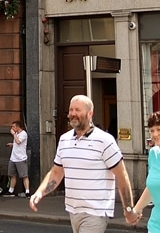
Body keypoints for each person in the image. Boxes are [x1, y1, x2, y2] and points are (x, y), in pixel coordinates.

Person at [30, 94, 135, 232]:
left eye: (78, 110)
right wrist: (39, 192)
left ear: (90, 113)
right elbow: (56, 172)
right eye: (71, 110)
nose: (73, 113)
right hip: (73, 210)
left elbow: (122, 176)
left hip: (96, 212)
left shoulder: (104, 140)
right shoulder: (64, 140)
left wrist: (128, 209)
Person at [126, 111, 160, 230]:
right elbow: (153, 188)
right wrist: (136, 210)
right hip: (156, 225)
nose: (155, 134)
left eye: (159, 129)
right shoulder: (154, 154)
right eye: (152, 130)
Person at [3, 119, 30, 198]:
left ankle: (27, 191)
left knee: (24, 175)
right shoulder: (17, 134)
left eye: (13, 126)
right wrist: (12, 144)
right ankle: (11, 190)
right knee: (12, 175)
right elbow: (17, 143)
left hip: (21, 158)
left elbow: (18, 142)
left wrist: (14, 134)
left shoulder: (23, 134)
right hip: (13, 158)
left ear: (17, 127)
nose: (12, 128)